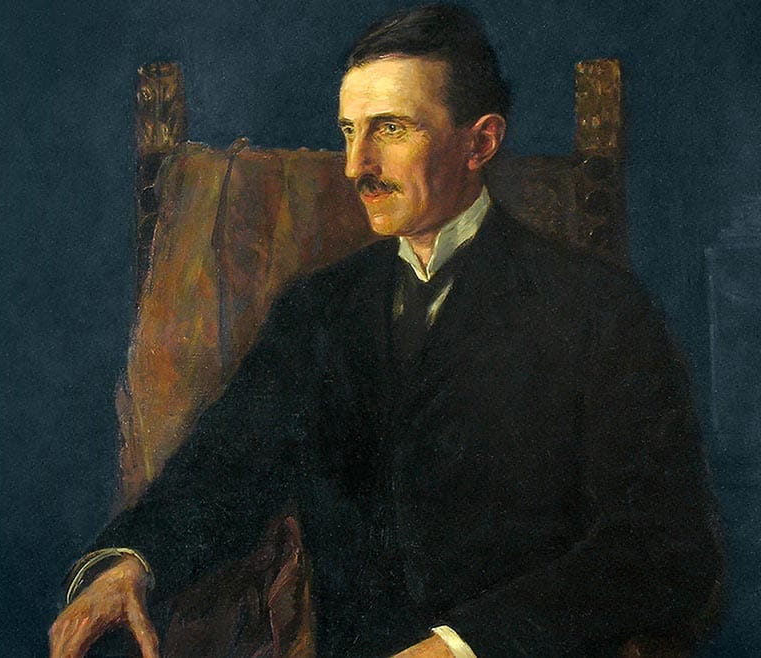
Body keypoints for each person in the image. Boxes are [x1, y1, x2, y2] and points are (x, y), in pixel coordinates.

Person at [49, 5, 721, 657]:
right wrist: (130, 564)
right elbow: (225, 469)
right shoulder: (318, 311)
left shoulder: (599, 311)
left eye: (391, 129)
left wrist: (463, 647)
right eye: (349, 131)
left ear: (480, 142)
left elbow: (665, 549)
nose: (355, 166)